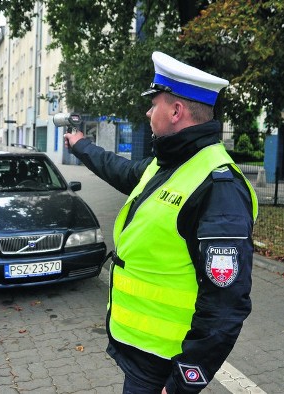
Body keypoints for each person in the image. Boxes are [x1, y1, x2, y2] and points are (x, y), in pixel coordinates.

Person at [64, 51, 258, 394]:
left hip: (165, 366)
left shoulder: (218, 185)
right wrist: (82, 147)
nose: (148, 111)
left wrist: (185, 379)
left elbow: (226, 305)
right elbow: (120, 170)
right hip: (140, 352)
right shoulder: (167, 164)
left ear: (176, 111)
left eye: (154, 104)